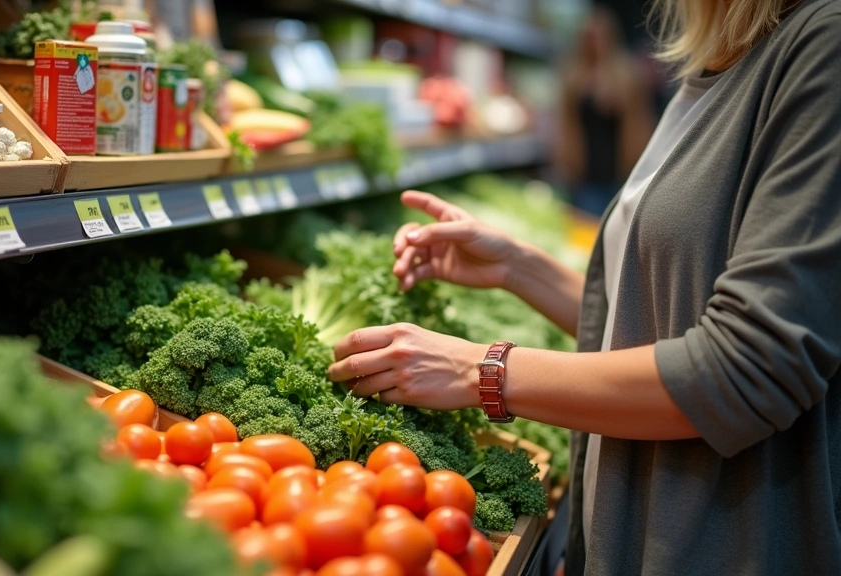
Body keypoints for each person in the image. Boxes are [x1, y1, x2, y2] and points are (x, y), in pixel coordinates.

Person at [327, 0, 841, 573]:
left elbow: (745, 369)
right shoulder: (719, 60)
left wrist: (480, 369)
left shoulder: (824, 46)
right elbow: (668, 322)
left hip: (721, 545)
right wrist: (520, 269)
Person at [554, 7, 655, 217]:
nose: (595, 42)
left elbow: (637, 120)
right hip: (585, 172)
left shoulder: (627, 74)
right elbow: (566, 124)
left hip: (620, 169)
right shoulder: (574, 75)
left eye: (600, 36)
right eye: (590, 37)